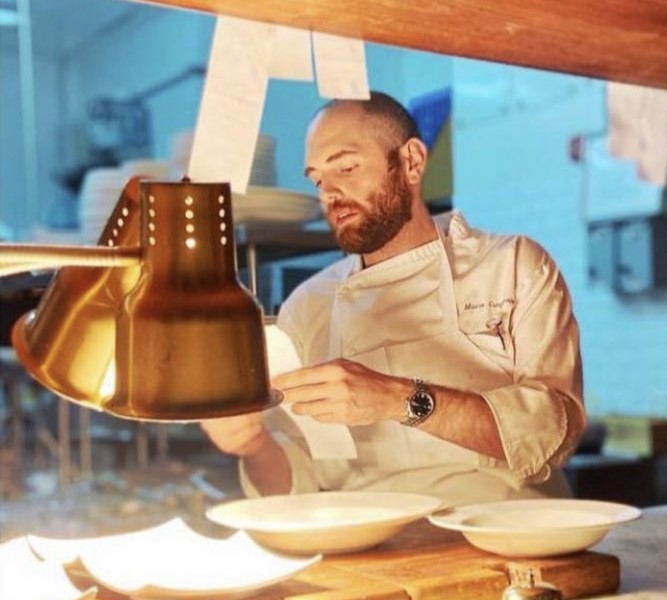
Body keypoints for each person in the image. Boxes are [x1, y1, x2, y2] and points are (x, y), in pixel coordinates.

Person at [201, 91, 586, 506]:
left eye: (346, 167)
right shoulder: (307, 307)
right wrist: (253, 446)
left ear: (412, 161)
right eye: (317, 180)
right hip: (370, 537)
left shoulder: (511, 265)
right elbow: (295, 488)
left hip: (505, 527)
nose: (329, 193)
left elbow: (554, 431)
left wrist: (396, 398)